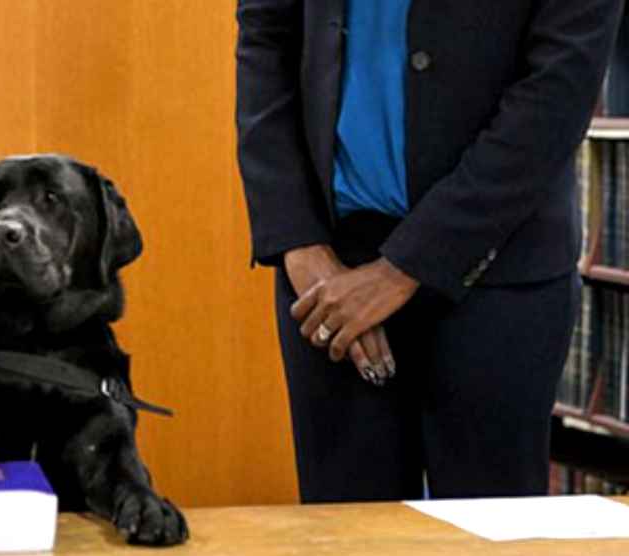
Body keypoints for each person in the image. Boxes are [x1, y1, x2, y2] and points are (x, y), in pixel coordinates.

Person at [236, 0, 624, 502]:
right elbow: (264, 41)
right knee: (346, 555)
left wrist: (402, 269)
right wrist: (297, 243)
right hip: (328, 276)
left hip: (497, 269)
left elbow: (556, 95)